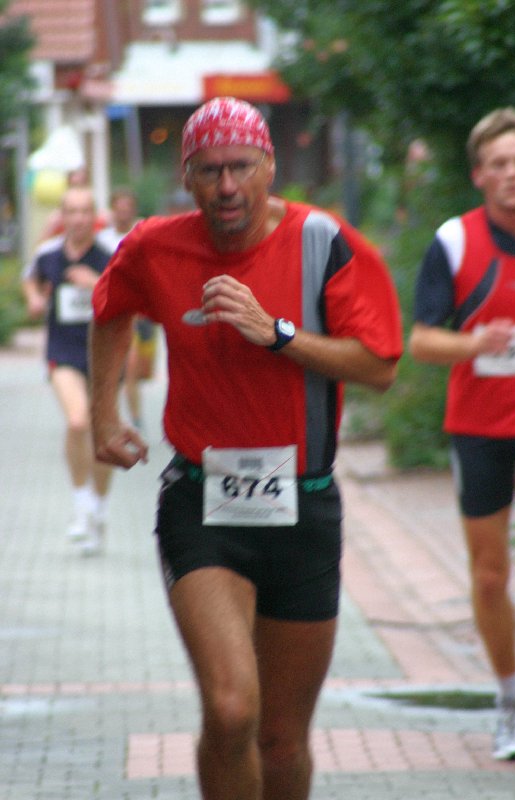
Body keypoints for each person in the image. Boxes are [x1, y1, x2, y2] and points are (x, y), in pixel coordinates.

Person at [89, 96, 402, 800]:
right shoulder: (154, 246)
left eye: (240, 167)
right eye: (209, 170)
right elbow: (110, 310)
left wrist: (277, 333)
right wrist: (103, 416)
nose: (226, 186)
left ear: (269, 167)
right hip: (202, 501)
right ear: (187, 178)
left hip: (304, 504)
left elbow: (380, 366)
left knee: (281, 742)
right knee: (232, 709)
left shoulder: (323, 242)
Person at [409, 107, 515, 761]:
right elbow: (421, 341)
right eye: (500, 164)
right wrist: (473, 343)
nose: (513, 173)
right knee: (489, 578)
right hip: (479, 425)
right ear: (479, 175)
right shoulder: (454, 242)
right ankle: (511, 700)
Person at [22, 185, 113, 556]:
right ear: (62, 216)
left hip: (103, 354)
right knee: (78, 422)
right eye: (71, 211)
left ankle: (100, 508)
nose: (78, 219)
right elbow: (30, 278)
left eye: (84, 211)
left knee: (104, 435)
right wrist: (34, 298)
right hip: (62, 352)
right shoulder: (48, 254)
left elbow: (129, 298)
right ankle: (82, 505)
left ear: (94, 216)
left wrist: (95, 284)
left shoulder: (109, 256)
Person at [97, 187, 156, 431]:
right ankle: (129, 417)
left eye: (127, 208)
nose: (123, 213)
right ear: (112, 210)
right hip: (117, 312)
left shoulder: (143, 232)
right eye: (118, 208)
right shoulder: (101, 240)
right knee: (127, 366)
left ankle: (131, 413)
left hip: (143, 312)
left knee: (144, 371)